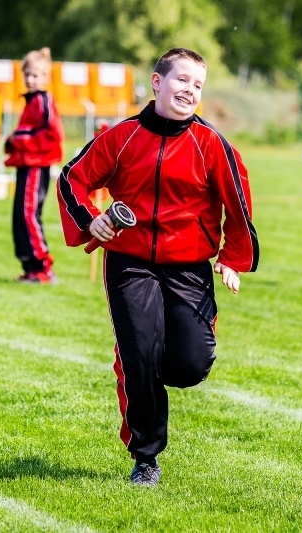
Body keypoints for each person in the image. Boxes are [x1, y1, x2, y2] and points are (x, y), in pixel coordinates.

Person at [57, 48, 259, 487]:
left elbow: (238, 203)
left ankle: (152, 359)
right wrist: (91, 219)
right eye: (182, 80)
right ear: (156, 81)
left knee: (189, 364)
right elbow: (71, 177)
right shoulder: (122, 136)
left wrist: (232, 257)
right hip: (129, 265)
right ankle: (145, 457)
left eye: (198, 85)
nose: (189, 90)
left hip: (188, 269)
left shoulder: (212, 145)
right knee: (139, 355)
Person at [5, 47, 65, 284]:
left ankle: (43, 266)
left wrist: (19, 139)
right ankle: (30, 266)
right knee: (19, 215)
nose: (31, 79)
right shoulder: (31, 102)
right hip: (25, 164)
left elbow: (51, 133)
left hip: (36, 166)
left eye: (36, 75)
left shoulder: (44, 100)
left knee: (29, 214)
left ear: (46, 77)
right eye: (28, 74)